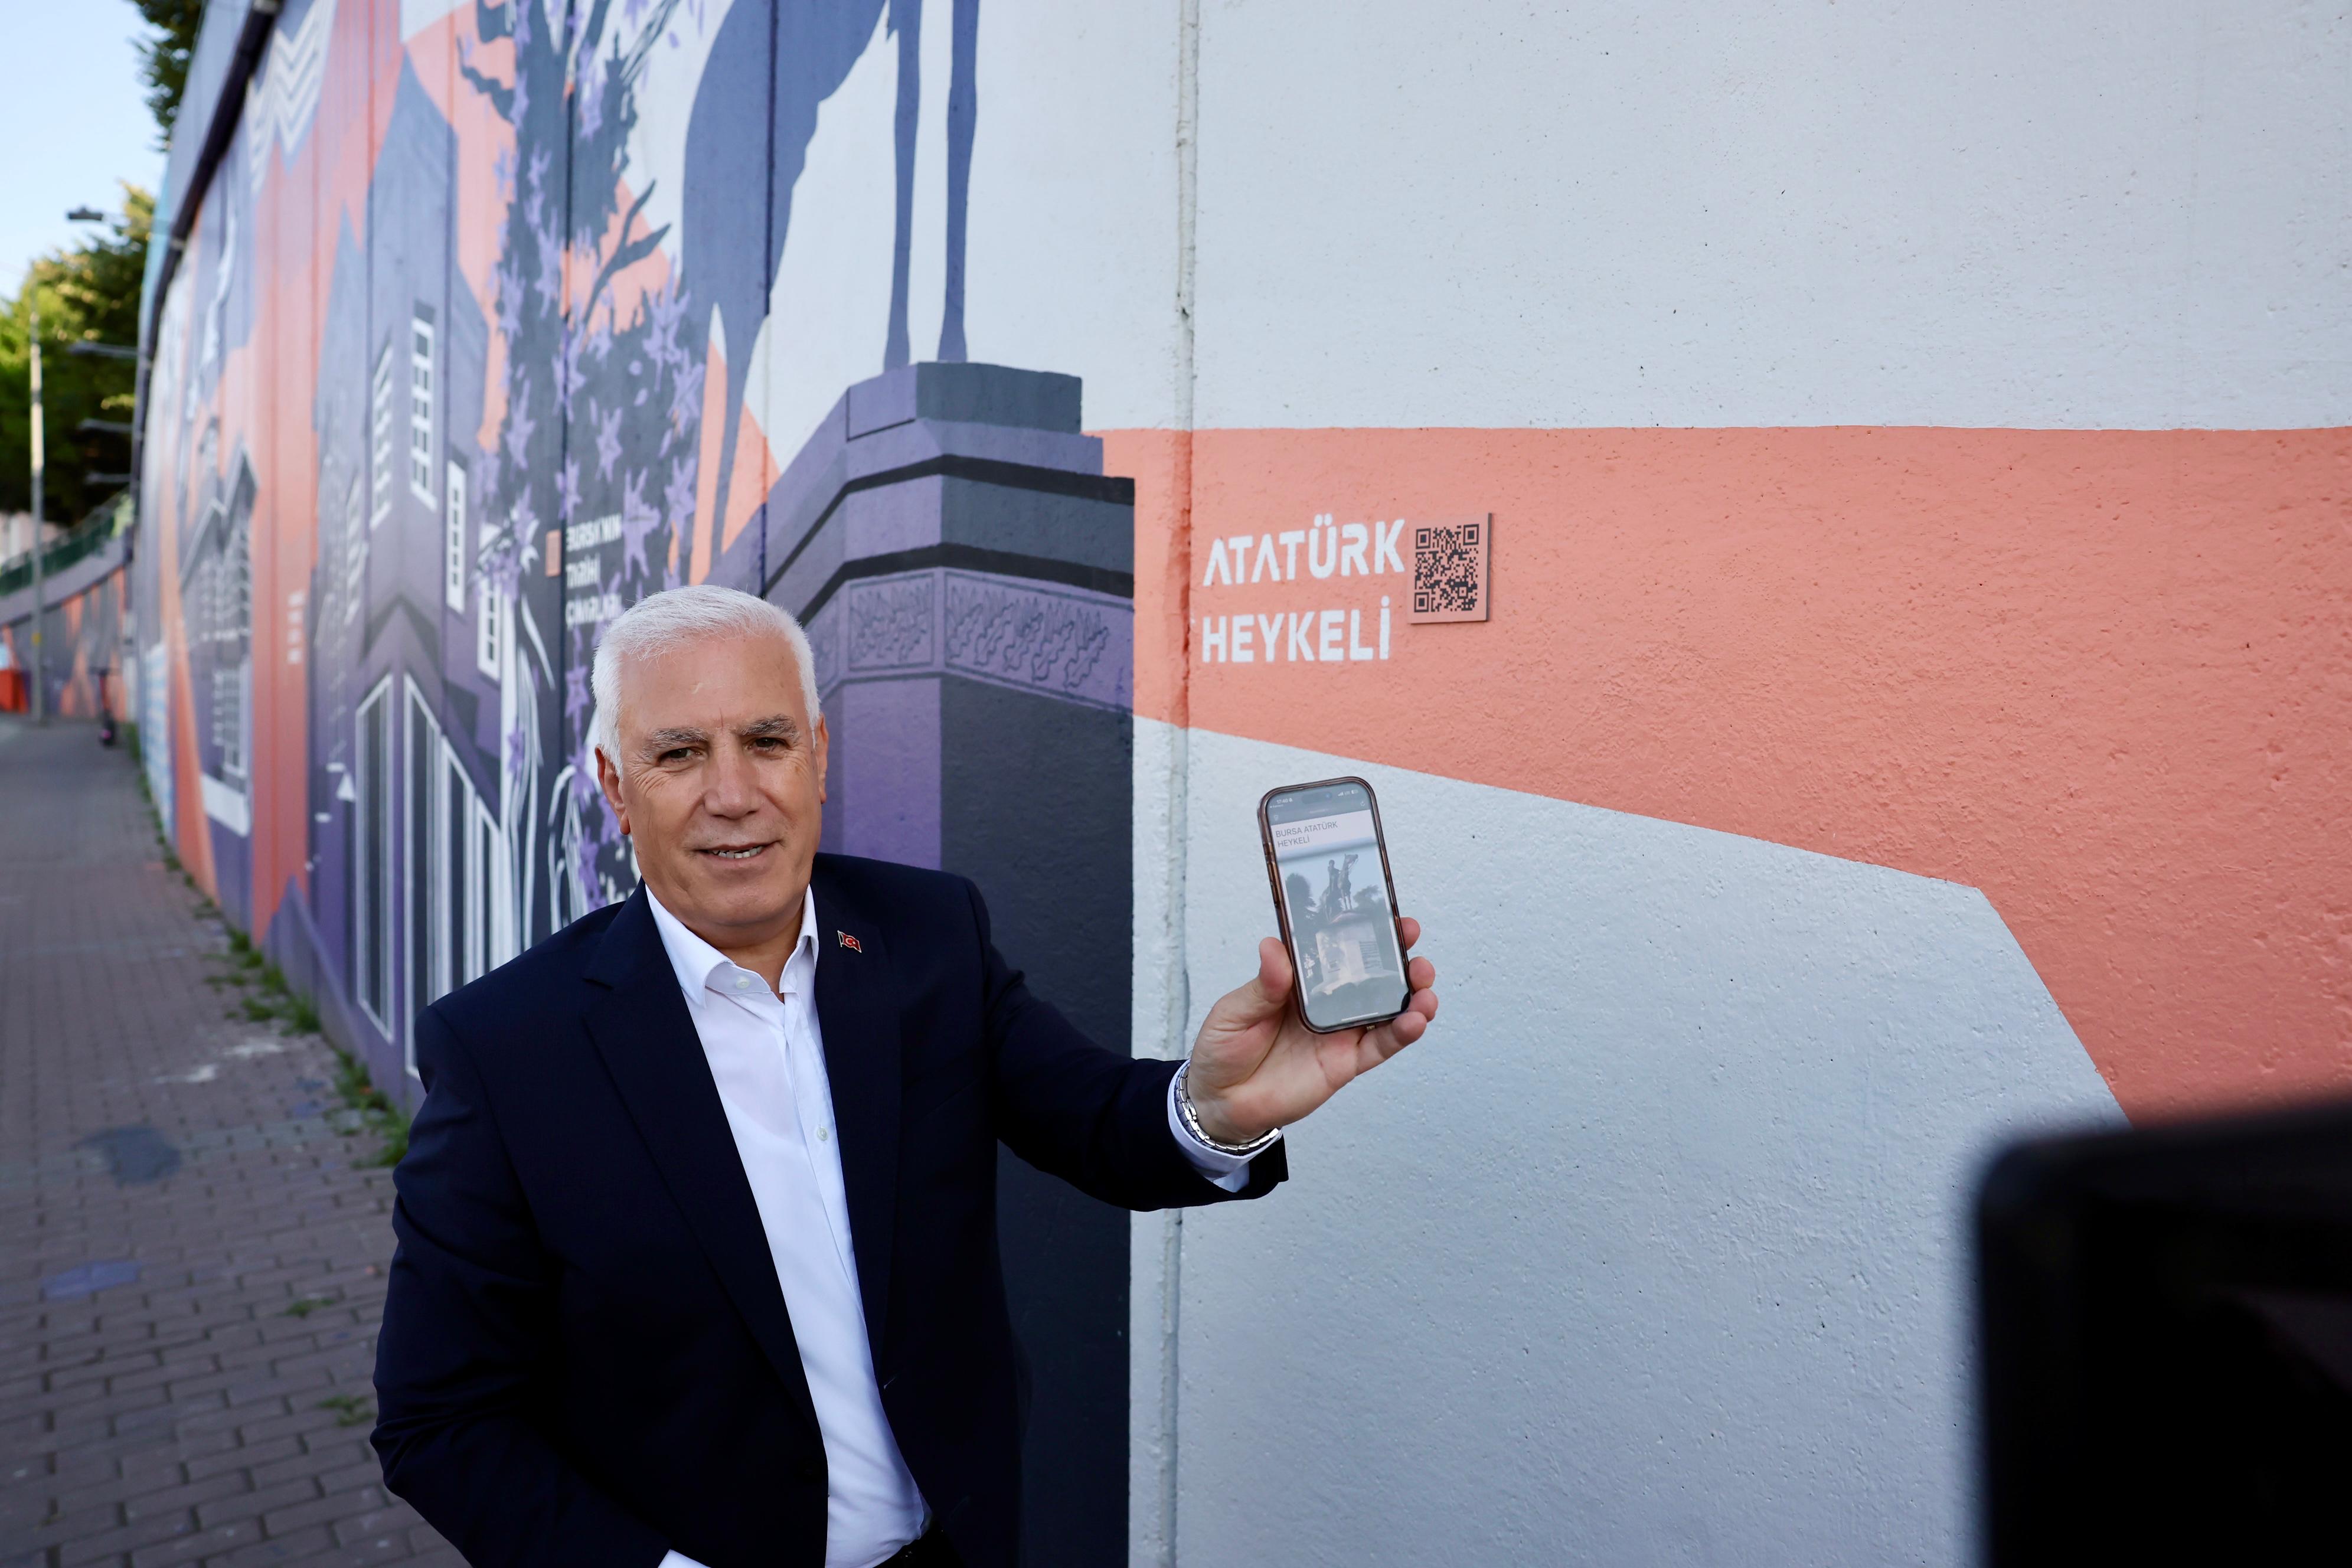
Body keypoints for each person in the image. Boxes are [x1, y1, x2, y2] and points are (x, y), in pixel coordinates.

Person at [371, 585, 1440, 1568]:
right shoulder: (505, 1049)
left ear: (819, 756)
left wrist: (1214, 1107)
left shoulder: (928, 935)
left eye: (768, 741)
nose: (733, 794)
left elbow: (1091, 1118)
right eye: (680, 754)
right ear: (616, 785)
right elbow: (441, 1422)